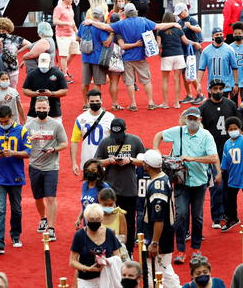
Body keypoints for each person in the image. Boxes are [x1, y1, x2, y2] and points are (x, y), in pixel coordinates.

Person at [85, 3, 181, 111]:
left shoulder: (121, 24)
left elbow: (105, 26)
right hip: (140, 56)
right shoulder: (143, 21)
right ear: (135, 11)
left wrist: (92, 22)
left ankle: (133, 104)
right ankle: (150, 102)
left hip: (127, 57)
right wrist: (173, 23)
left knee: (129, 82)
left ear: (125, 13)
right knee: (146, 80)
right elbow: (159, 26)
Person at [154, 107, 220, 264]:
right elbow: (159, 135)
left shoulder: (206, 136)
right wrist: (156, 149)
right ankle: (181, 250)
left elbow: (213, 157)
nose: (191, 121)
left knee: (197, 216)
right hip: (181, 181)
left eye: (194, 118)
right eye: (189, 118)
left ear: (199, 120)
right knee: (181, 215)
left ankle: (196, 248)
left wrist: (192, 159)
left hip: (200, 181)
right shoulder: (178, 131)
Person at [0, 105, 32, 254]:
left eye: (5, 121)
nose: (3, 124)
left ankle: (15, 235)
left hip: (15, 176)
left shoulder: (22, 130)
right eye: (0, 121)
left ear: (11, 117)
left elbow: (28, 153)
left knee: (16, 209)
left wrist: (13, 153)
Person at [94, 117, 146, 253]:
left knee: (129, 223)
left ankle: (128, 251)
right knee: (107, 221)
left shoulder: (135, 141)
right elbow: (95, 163)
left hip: (129, 190)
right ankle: (108, 249)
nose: (116, 138)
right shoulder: (105, 142)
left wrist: (130, 160)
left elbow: (145, 161)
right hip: (110, 191)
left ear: (125, 130)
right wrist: (109, 161)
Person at [25, 96, 68, 241]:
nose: (41, 110)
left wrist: (54, 149)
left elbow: (64, 143)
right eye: (39, 108)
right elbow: (21, 143)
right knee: (38, 197)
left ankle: (51, 228)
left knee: (51, 197)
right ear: (35, 109)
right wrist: (30, 139)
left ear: (49, 109)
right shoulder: (29, 126)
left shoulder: (56, 125)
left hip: (51, 167)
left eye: (44, 108)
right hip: (34, 165)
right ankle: (43, 218)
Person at [199, 79, 240, 227]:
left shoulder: (231, 105)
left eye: (220, 88)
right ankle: (216, 216)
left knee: (230, 185)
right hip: (213, 153)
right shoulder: (203, 108)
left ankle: (228, 213)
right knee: (217, 185)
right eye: (215, 88)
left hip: (230, 151)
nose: (218, 91)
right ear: (209, 90)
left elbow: (239, 125)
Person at [140, 149, 181, 288]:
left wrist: (154, 242)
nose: (142, 164)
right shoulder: (162, 178)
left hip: (159, 237)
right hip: (161, 235)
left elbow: (159, 219)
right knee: (162, 270)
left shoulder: (158, 187)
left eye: (144, 162)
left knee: (160, 271)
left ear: (148, 166)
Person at [70, 203, 122, 287]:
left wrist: (107, 262)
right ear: (86, 220)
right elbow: (72, 261)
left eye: (97, 219)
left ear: (102, 219)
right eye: (91, 219)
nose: (94, 222)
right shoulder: (80, 235)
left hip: (107, 279)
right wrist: (87, 268)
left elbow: (117, 257)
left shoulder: (109, 233)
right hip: (86, 280)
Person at [157, 11, 200, 108]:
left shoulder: (160, 31)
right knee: (177, 79)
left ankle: (165, 103)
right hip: (179, 55)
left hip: (166, 55)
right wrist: (194, 43)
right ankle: (176, 103)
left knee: (165, 80)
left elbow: (159, 45)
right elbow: (186, 42)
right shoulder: (179, 29)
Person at [71, 89, 115, 174]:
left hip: (106, 160)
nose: (95, 103)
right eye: (92, 101)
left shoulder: (110, 118)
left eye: (97, 101)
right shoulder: (80, 119)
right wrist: (74, 163)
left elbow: (116, 140)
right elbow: (74, 141)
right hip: (88, 160)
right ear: (87, 102)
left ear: (101, 101)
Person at [77, 7, 109, 107]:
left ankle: (85, 103)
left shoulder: (83, 24)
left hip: (85, 57)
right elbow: (105, 43)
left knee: (85, 82)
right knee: (97, 82)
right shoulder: (100, 27)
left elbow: (78, 38)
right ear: (101, 17)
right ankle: (96, 104)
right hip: (97, 57)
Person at [22, 53, 69, 121]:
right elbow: (25, 90)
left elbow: (65, 91)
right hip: (34, 112)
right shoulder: (32, 74)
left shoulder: (58, 73)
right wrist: (35, 94)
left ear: (50, 62)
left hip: (54, 112)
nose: (43, 68)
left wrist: (52, 94)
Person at [174, 3, 204, 104]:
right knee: (184, 73)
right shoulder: (179, 22)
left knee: (192, 73)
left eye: (180, 13)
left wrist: (190, 27)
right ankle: (189, 95)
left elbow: (199, 29)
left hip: (193, 50)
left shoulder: (192, 20)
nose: (179, 15)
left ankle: (200, 95)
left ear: (185, 10)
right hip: (183, 50)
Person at [198, 27, 239, 99]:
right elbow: (201, 68)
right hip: (212, 84)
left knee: (224, 106)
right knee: (212, 106)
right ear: (212, 36)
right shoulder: (206, 51)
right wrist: (198, 83)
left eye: (221, 34)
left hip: (225, 84)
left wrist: (236, 83)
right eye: (217, 35)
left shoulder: (229, 49)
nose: (219, 36)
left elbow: (234, 68)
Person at [52, 0, 80, 80]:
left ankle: (62, 69)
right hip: (62, 35)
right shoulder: (59, 8)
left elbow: (72, 20)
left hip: (71, 34)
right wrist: (67, 24)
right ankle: (64, 74)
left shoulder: (70, 7)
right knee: (63, 55)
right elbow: (55, 21)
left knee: (74, 52)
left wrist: (77, 31)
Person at [75, 160, 111, 227]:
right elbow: (85, 204)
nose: (90, 172)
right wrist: (79, 218)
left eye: (93, 170)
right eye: (87, 170)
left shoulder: (104, 187)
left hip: (100, 226)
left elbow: (110, 208)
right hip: (87, 226)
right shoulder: (85, 185)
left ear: (99, 171)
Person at [0, 17, 26, 88]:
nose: (1, 33)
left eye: (4, 31)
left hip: (12, 70)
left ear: (8, 30)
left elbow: (29, 44)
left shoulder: (15, 38)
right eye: (0, 31)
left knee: (12, 91)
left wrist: (18, 51)